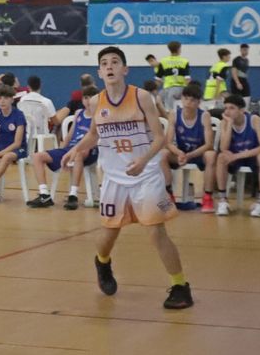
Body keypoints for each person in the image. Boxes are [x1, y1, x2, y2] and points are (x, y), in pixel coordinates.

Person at [63, 47, 193, 310]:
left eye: (114, 62)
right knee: (109, 234)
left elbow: (159, 137)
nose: (109, 66)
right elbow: (93, 135)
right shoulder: (96, 101)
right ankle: (102, 262)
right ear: (100, 72)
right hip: (114, 178)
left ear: (125, 69)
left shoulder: (142, 97)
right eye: (104, 63)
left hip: (145, 175)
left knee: (156, 232)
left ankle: (180, 286)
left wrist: (144, 161)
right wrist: (75, 149)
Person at [27, 87, 99, 210]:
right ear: (82, 100)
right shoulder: (78, 114)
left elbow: (97, 138)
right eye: (85, 98)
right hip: (71, 149)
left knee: (79, 154)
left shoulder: (99, 115)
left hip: (90, 150)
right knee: (37, 156)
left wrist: (79, 150)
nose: (88, 101)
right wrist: (62, 150)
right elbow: (70, 135)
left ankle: (73, 195)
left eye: (91, 98)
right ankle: (44, 194)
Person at [208, 95, 260, 216]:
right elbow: (224, 148)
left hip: (251, 156)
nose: (227, 111)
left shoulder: (254, 120)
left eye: (232, 108)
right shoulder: (225, 123)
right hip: (234, 158)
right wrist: (229, 124)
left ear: (242, 110)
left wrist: (238, 156)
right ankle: (222, 200)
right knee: (221, 157)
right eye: (225, 108)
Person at [165, 83, 216, 202]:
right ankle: (168, 193)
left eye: (192, 100)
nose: (188, 102)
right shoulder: (174, 114)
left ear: (199, 102)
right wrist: (179, 153)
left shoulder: (204, 116)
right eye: (185, 98)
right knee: (162, 154)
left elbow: (209, 144)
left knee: (211, 155)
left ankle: (208, 197)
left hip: (197, 154)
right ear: (181, 99)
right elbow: (168, 142)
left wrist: (190, 155)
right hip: (181, 154)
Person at [157, 41, 190, 111]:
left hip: (167, 88)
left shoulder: (163, 61)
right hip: (181, 88)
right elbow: (187, 79)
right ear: (179, 49)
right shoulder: (184, 61)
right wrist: (188, 91)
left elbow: (158, 80)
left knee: (165, 106)